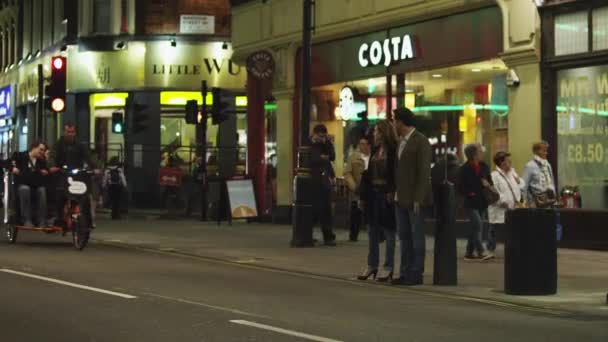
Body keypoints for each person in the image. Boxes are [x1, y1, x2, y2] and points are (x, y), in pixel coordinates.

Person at [392, 108, 432, 286]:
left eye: (395, 120)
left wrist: (419, 198)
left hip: (413, 198)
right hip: (400, 197)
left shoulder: (420, 141)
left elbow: (424, 172)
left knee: (416, 237)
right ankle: (405, 271)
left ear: (401, 122)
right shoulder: (400, 142)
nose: (394, 124)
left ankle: (416, 272)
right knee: (404, 236)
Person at [357, 121, 397, 282]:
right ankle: (372, 265)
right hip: (373, 194)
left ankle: (388, 267)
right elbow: (368, 174)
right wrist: (362, 195)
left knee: (389, 233)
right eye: (374, 131)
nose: (374, 134)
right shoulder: (375, 150)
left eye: (377, 131)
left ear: (384, 133)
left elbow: (395, 173)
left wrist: (392, 190)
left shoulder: (393, 151)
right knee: (372, 231)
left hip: (386, 194)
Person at [48, 123, 98, 226]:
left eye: (72, 132)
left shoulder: (80, 145)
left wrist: (95, 168)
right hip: (62, 174)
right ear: (64, 132)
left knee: (85, 196)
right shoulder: (58, 145)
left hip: (77, 175)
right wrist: (52, 166)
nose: (70, 134)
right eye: (68, 132)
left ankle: (88, 221)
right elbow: (52, 156)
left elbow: (88, 157)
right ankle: (59, 217)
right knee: (61, 194)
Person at [458, 143, 494, 261]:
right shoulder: (464, 169)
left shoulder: (484, 166)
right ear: (474, 155)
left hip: (482, 201)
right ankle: (481, 251)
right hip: (470, 203)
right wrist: (470, 193)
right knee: (478, 225)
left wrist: (488, 185)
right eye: (480, 151)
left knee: (475, 228)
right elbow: (460, 187)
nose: (482, 153)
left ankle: (469, 253)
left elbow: (490, 182)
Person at [488, 152, 524, 256]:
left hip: (513, 207)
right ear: (502, 163)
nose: (511, 163)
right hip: (500, 208)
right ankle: (490, 250)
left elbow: (521, 185)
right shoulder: (494, 176)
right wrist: (502, 202)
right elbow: (494, 192)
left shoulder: (512, 173)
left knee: (511, 230)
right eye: (509, 161)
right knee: (494, 229)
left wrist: (519, 181)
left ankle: (512, 249)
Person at [309, 124, 336, 246]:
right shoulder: (309, 144)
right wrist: (322, 158)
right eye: (320, 136)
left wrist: (327, 143)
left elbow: (332, 156)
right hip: (313, 181)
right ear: (314, 134)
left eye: (323, 136)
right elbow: (312, 159)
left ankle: (328, 236)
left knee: (326, 209)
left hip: (325, 181)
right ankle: (308, 233)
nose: (321, 138)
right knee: (315, 209)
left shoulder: (325, 144)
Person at [11, 141, 49, 227]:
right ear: (34, 148)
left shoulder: (41, 161)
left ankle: (41, 219)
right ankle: (26, 219)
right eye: (41, 150)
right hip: (22, 184)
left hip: (35, 185)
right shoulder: (20, 156)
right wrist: (12, 168)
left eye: (43, 150)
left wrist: (46, 170)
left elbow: (47, 171)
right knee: (25, 189)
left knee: (42, 190)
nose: (42, 152)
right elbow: (7, 162)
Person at [344, 135, 371, 242]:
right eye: (360, 144)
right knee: (355, 213)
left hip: (371, 189)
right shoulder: (354, 157)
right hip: (358, 188)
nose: (362, 146)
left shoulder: (374, 156)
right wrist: (353, 186)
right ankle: (353, 235)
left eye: (364, 144)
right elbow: (347, 172)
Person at [522, 141, 556, 208]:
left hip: (549, 203)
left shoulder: (548, 165)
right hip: (535, 204)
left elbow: (552, 182)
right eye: (543, 151)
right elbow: (524, 186)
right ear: (536, 151)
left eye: (546, 151)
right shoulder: (529, 166)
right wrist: (523, 203)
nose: (546, 153)